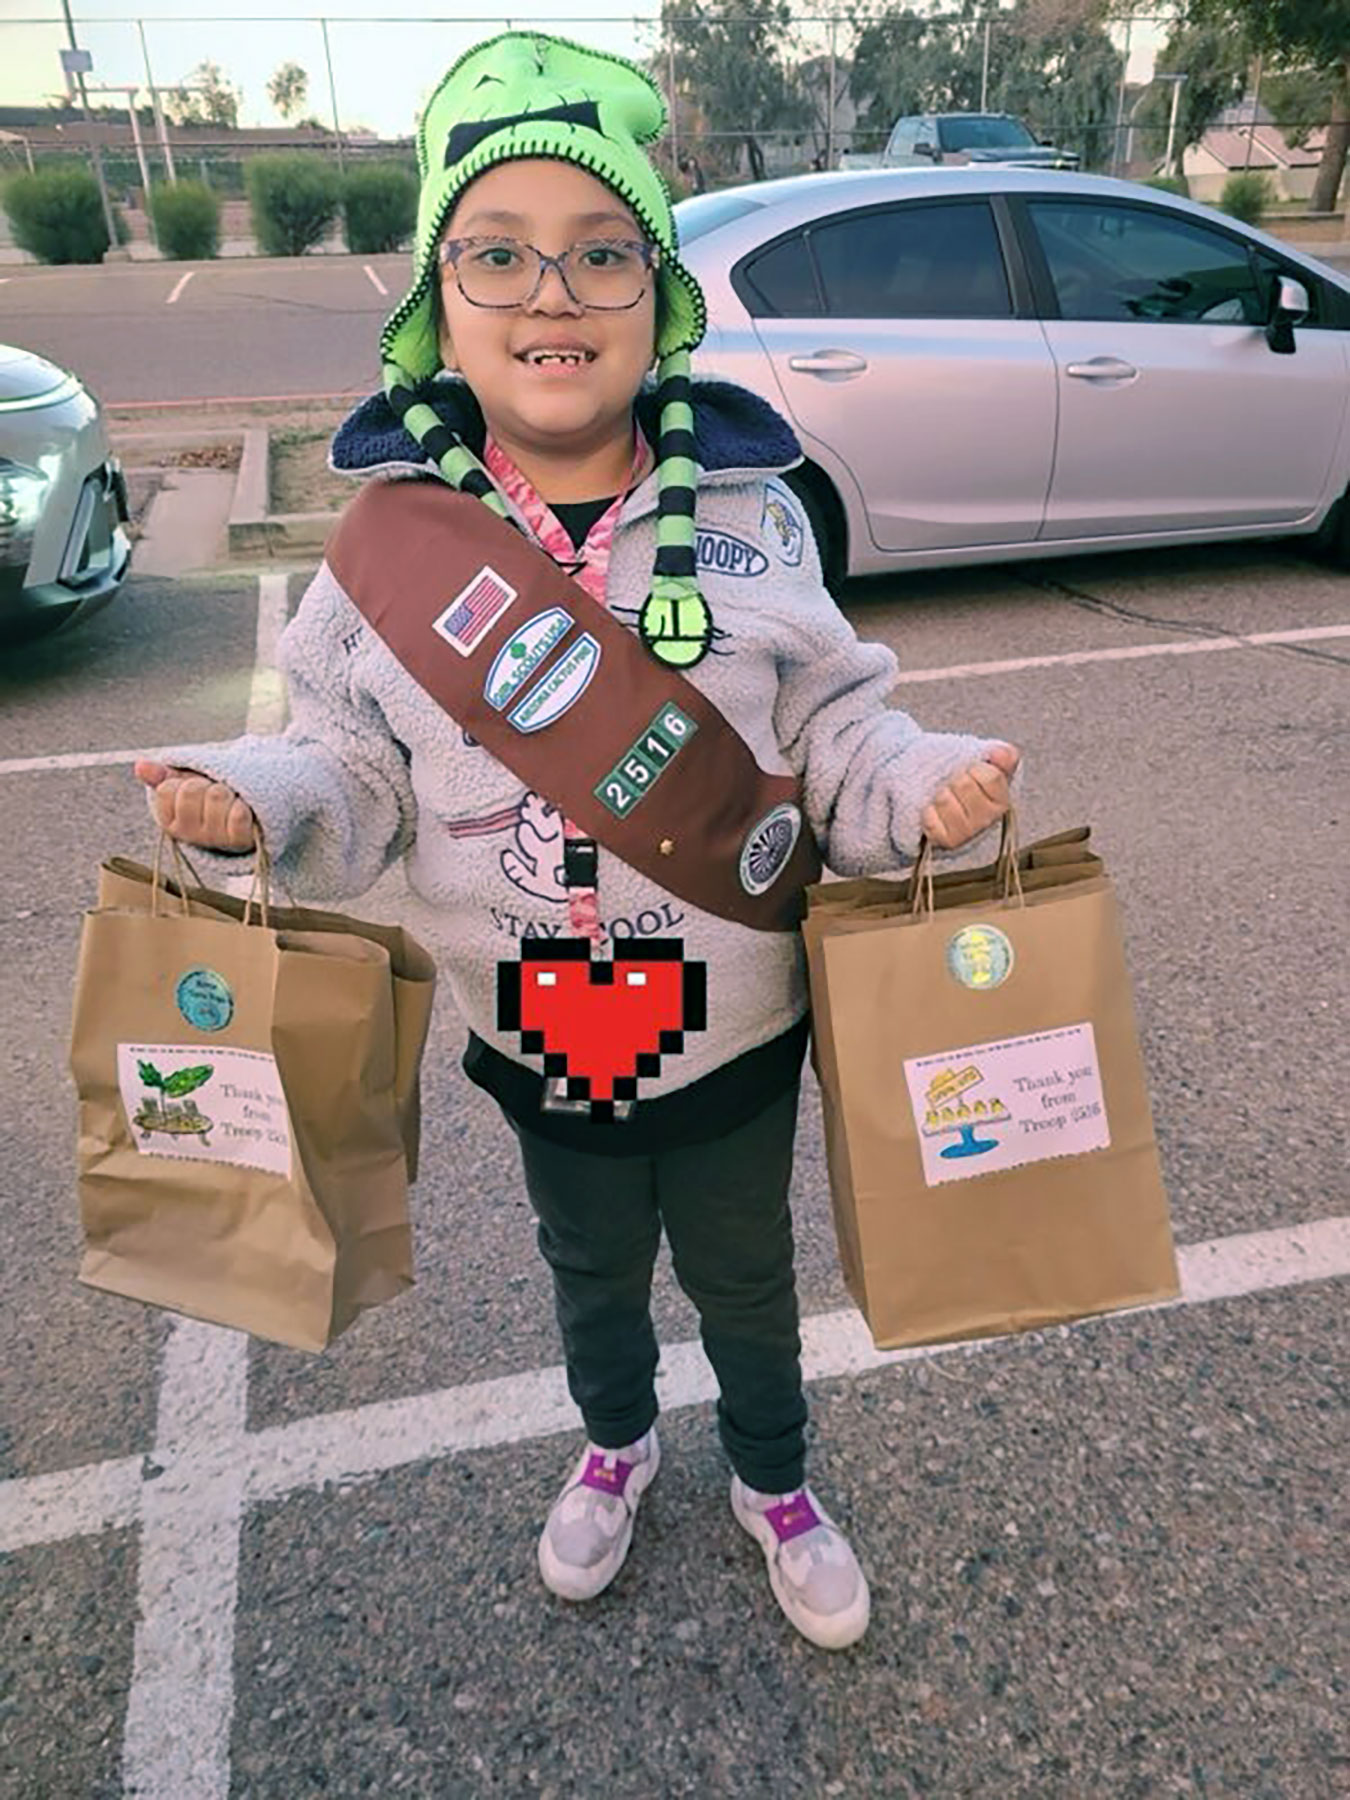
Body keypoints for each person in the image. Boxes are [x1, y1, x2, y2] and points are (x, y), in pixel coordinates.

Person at [135, 32, 1020, 1652]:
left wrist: (925, 785)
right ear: (436, 307)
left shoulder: (749, 517)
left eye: (601, 252)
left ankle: (775, 1478)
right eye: (497, 253)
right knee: (591, 1274)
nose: (553, 293)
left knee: (749, 1283)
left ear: (659, 299)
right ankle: (616, 1446)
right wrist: (250, 801)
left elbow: (838, 729)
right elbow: (345, 758)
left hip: (739, 1034)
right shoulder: (388, 549)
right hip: (540, 1035)